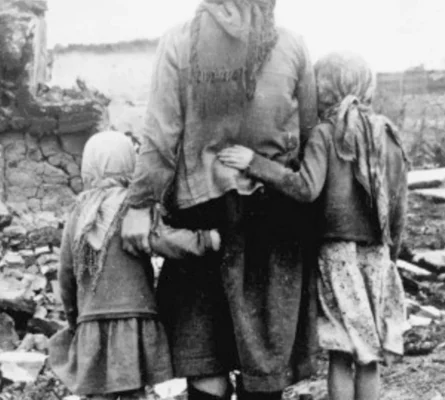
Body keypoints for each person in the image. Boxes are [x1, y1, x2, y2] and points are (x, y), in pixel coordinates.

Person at [120, 0, 319, 399]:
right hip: (275, 218)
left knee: (205, 354)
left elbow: (161, 133)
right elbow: (309, 133)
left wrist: (140, 205)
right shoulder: (293, 45)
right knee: (263, 358)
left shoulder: (179, 41)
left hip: (202, 215)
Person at [218, 52, 408, 400]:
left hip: (337, 256)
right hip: (378, 256)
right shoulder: (387, 134)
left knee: (341, 352)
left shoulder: (327, 132)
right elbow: (399, 206)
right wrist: (390, 256)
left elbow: (306, 188)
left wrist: (255, 163)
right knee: (369, 355)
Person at [48, 130, 222, 400]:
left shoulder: (78, 214)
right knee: (134, 392)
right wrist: (205, 240)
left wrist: (75, 321)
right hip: (134, 320)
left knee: (97, 393)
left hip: (92, 322)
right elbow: (164, 239)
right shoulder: (136, 208)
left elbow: (66, 275)